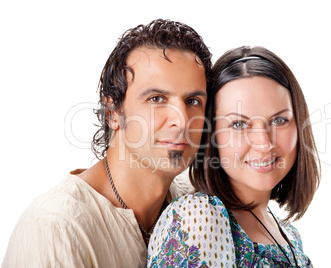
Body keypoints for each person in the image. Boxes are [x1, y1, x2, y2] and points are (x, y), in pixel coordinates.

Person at [2, 19, 212, 267]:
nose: (181, 120)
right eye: (157, 98)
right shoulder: (55, 227)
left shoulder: (196, 205)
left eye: (193, 101)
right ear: (112, 113)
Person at [147, 46, 320, 267]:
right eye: (239, 124)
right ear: (213, 136)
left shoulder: (288, 233)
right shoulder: (200, 217)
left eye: (279, 120)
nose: (264, 143)